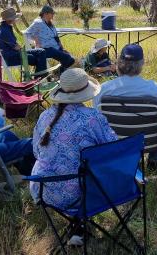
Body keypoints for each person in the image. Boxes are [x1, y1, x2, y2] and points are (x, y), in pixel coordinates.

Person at [30, 68, 118, 212]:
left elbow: (36, 151)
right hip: (83, 194)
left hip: (45, 191)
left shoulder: (45, 116)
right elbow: (113, 150)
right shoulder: (92, 118)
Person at [94, 44, 157, 161]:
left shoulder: (103, 89)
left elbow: (97, 118)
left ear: (119, 63)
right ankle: (155, 159)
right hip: (146, 143)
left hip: (113, 142)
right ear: (141, 64)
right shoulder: (154, 89)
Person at [0, 7, 48, 75]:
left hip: (15, 53)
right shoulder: (4, 30)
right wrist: (24, 49)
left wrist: (26, 48)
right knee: (36, 58)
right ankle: (40, 78)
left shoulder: (6, 27)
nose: (15, 19)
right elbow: (16, 47)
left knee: (41, 51)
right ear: (9, 19)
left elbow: (14, 45)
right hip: (11, 57)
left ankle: (39, 78)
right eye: (14, 17)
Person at [24, 5, 76, 73]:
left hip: (55, 48)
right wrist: (35, 40)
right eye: (52, 13)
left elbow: (56, 37)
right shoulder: (38, 23)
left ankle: (60, 74)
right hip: (45, 49)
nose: (53, 15)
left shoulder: (51, 24)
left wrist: (62, 48)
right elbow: (27, 33)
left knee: (71, 59)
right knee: (67, 58)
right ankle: (59, 74)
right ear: (45, 14)